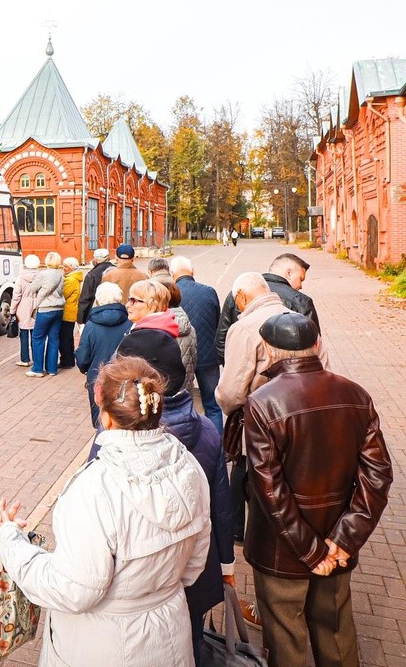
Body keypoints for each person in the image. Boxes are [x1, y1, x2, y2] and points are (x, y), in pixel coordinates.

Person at [0, 355, 212, 667]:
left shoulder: (94, 488)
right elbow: (193, 565)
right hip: (169, 636)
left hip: (101, 645)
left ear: (105, 413)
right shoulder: (189, 468)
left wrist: (11, 543)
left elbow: (75, 590)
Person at [243, 312, 392, 667]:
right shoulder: (354, 392)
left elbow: (269, 490)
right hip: (335, 540)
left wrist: (312, 551)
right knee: (337, 635)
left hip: (281, 548)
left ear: (267, 349)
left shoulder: (263, 401)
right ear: (317, 345)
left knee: (286, 640)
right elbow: (378, 475)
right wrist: (343, 540)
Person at [215, 272, 329, 549]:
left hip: (259, 420)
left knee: (254, 479)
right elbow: (323, 367)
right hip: (303, 417)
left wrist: (231, 411)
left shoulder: (244, 328)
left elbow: (232, 390)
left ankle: (255, 537)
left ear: (242, 297)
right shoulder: (301, 321)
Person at [155, 344, 235, 667]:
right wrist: (227, 564)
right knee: (195, 640)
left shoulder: (116, 439)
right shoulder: (207, 430)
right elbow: (221, 506)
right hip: (198, 572)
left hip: (148, 588)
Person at [215, 253, 320, 364]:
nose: (301, 286)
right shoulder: (301, 302)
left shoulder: (237, 293)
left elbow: (221, 340)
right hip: (288, 377)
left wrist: (234, 366)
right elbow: (314, 348)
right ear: (289, 273)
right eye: (301, 279)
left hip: (243, 373)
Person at [170, 256, 223, 433]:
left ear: (172, 275)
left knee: (181, 404)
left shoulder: (171, 294)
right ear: (193, 272)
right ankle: (218, 449)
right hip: (208, 357)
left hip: (181, 357)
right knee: (213, 406)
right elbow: (218, 322)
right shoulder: (209, 292)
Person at [74, 282, 130, 430]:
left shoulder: (91, 325)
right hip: (125, 379)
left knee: (101, 423)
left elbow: (83, 359)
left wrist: (77, 354)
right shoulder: (130, 323)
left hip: (98, 378)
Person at [150, 274, 197, 394]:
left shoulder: (156, 327)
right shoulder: (189, 327)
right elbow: (193, 359)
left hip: (163, 392)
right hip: (185, 390)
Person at [26, 251, 65, 377]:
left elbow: (32, 288)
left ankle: (37, 369)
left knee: (38, 338)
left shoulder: (43, 274)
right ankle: (52, 369)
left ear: (47, 261)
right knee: (54, 338)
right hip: (58, 308)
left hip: (45, 308)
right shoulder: (61, 274)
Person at [9, 254, 41, 367]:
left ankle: (25, 359)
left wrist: (12, 310)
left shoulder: (20, 278)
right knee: (35, 335)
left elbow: (16, 295)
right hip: (36, 307)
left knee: (23, 334)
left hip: (23, 307)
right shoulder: (40, 276)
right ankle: (37, 360)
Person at [76, 248, 114, 324]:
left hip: (95, 311)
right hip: (116, 310)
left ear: (95, 260)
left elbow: (85, 298)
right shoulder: (116, 270)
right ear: (108, 258)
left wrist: (81, 319)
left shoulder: (92, 275)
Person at [59, 257, 83, 369]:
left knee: (65, 338)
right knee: (67, 337)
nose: (64, 268)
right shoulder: (73, 278)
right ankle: (68, 360)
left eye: (66, 266)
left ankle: (67, 360)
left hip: (67, 311)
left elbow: (63, 294)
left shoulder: (70, 280)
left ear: (71, 268)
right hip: (71, 310)